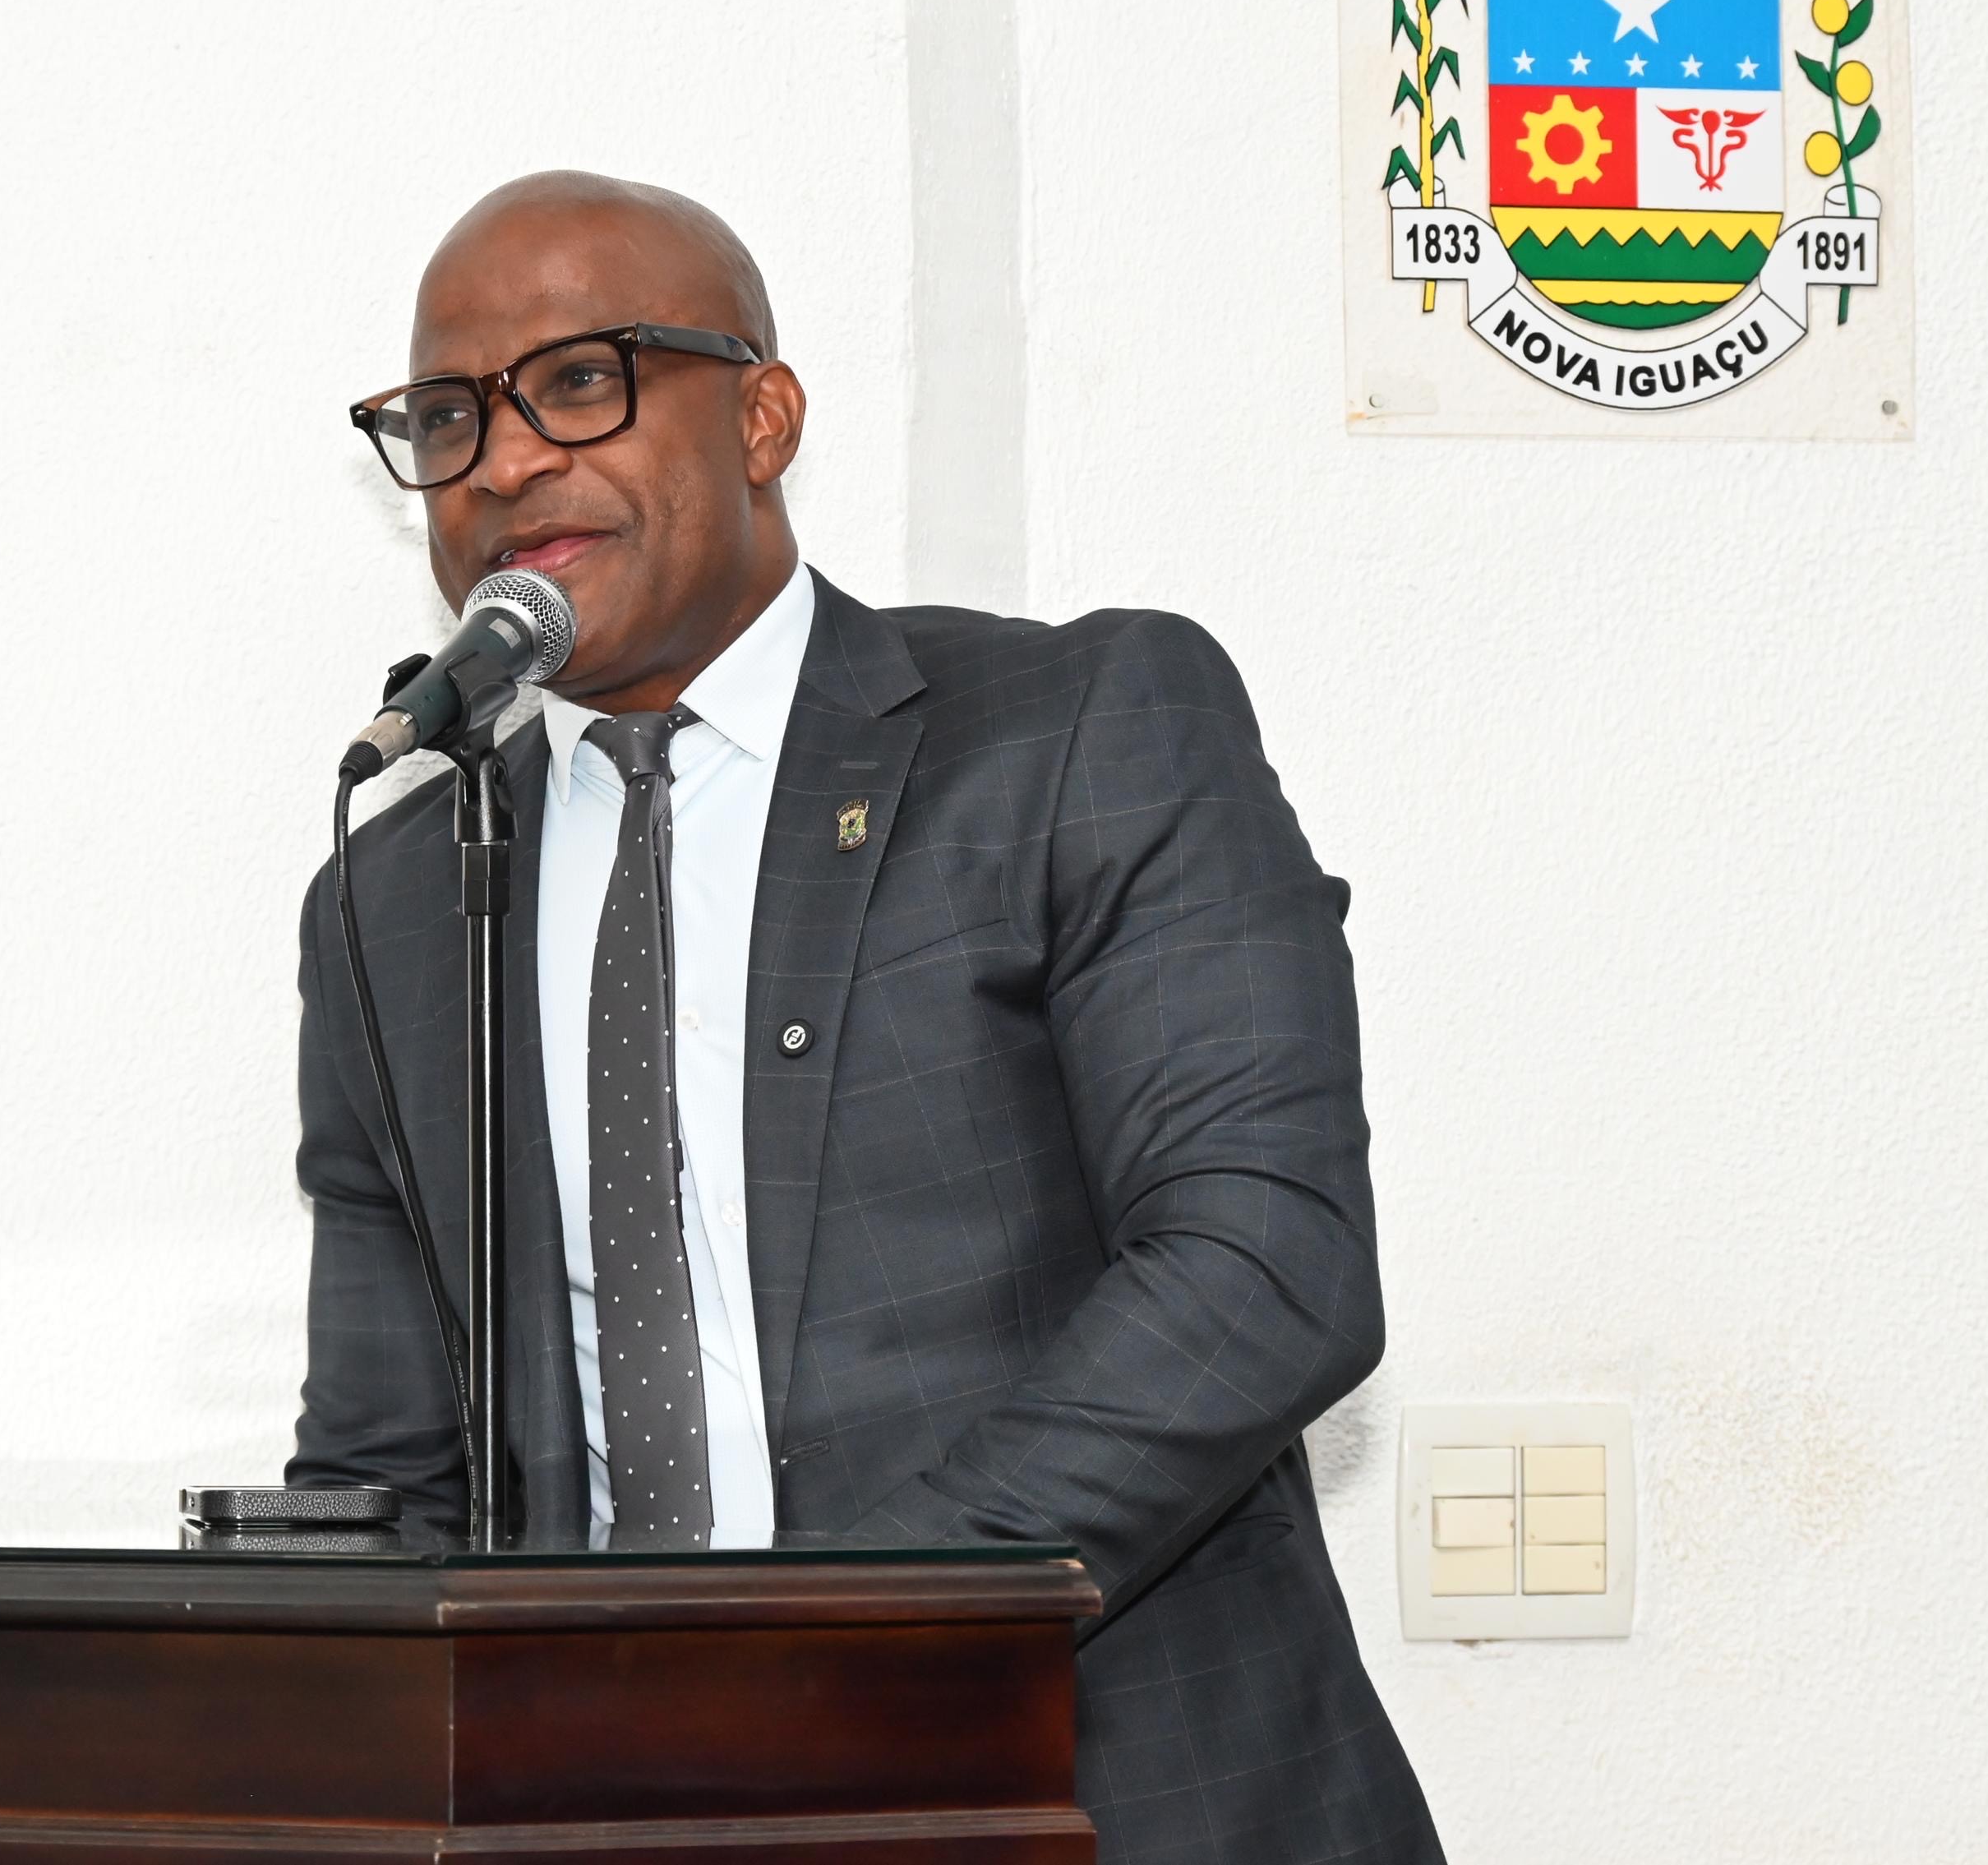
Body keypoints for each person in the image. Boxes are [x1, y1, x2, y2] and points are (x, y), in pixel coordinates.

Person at [292, 171, 1441, 1863]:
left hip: (1109, 1791)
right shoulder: (397, 901)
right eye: (448, 418)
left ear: (761, 417)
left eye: (581, 383)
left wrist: (835, 1650)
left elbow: (1263, 1268)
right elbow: (387, 1461)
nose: (507, 459)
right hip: (611, 1818)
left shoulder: (1070, 734)